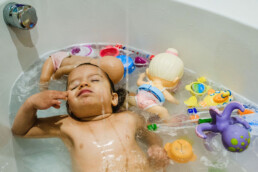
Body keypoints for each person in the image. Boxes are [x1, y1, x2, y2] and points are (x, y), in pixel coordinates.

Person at [12, 63, 169, 172]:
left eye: (94, 80)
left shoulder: (129, 118)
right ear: (70, 107)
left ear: (113, 98)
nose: (83, 84)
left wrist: (156, 148)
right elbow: (21, 131)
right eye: (73, 86)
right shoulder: (66, 124)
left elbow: (150, 133)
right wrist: (30, 104)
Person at [127, 48, 184, 121]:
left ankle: (125, 107)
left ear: (147, 72)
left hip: (136, 100)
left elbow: (139, 83)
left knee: (130, 96)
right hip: (150, 106)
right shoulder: (161, 89)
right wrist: (177, 102)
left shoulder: (149, 83)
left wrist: (141, 76)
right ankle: (170, 122)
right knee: (163, 111)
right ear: (175, 80)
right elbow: (170, 98)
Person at [39, 51, 124, 91]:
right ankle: (43, 92)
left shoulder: (95, 63)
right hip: (56, 60)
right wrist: (55, 78)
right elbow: (61, 70)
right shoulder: (80, 66)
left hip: (68, 57)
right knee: (44, 79)